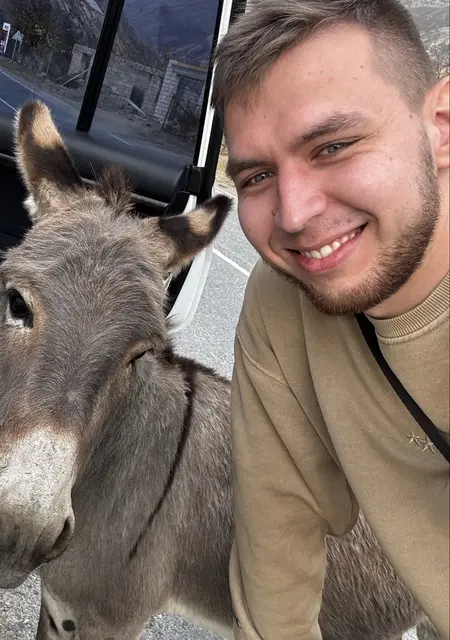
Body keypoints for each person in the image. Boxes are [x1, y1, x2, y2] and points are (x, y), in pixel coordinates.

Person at [211, 0, 449, 638]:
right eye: (257, 176)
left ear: (441, 128)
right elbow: (275, 572)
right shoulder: (280, 303)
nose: (293, 215)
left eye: (333, 146)